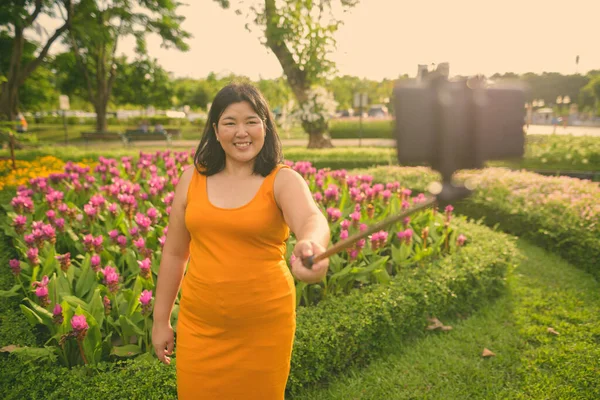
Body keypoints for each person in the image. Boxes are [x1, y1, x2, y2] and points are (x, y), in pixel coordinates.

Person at [152, 82, 330, 399]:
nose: (241, 132)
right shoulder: (192, 178)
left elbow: (311, 219)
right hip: (199, 328)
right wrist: (161, 320)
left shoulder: (282, 179)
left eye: (251, 121)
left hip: (264, 329)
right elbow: (175, 254)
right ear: (216, 130)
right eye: (230, 122)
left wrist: (312, 245)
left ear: (265, 126)